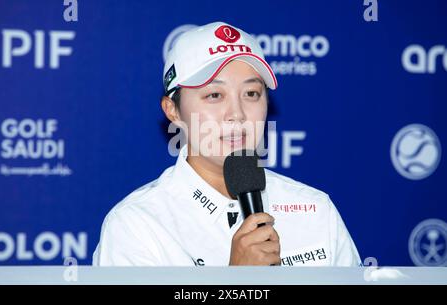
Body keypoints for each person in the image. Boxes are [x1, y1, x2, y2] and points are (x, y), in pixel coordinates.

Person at [93, 21, 361, 266]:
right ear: (173, 110)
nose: (237, 114)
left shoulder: (315, 210)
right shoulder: (137, 225)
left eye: (251, 93)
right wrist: (236, 282)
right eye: (214, 95)